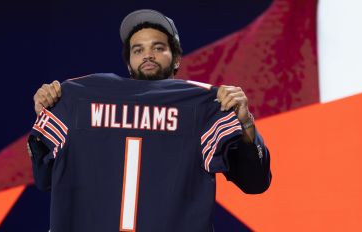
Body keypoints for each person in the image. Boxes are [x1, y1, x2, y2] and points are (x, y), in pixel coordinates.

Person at [28, 9, 271, 232]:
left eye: (158, 48)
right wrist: (47, 111)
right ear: (128, 63)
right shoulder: (78, 97)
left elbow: (255, 183)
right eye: (138, 49)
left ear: (176, 58)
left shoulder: (204, 105)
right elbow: (45, 178)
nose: (148, 55)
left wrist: (245, 122)